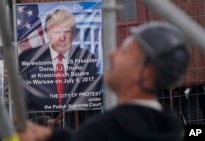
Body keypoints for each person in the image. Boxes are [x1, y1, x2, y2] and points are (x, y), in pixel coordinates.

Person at [18, 21, 189, 141]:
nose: (111, 55)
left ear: (144, 72)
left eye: (124, 52)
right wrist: (50, 136)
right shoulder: (166, 122)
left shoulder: (109, 127)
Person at [19, 8, 102, 128]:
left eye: (67, 32)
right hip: (40, 128)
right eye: (57, 32)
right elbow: (25, 99)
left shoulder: (88, 59)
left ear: (73, 34)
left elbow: (91, 99)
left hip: (76, 128)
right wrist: (41, 120)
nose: (62, 37)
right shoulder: (28, 58)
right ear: (47, 33)